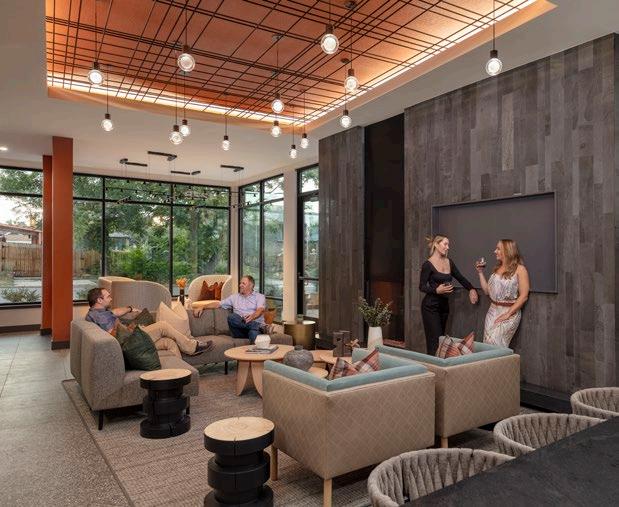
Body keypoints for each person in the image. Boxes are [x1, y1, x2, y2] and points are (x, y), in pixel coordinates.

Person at [85, 287, 211, 357]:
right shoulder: (101, 317)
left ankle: (180, 374)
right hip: (130, 343)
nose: (111, 298)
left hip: (132, 340)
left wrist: (129, 308)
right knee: (163, 326)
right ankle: (192, 347)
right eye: (108, 296)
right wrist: (134, 327)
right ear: (99, 300)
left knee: (169, 342)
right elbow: (115, 335)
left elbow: (115, 312)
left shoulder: (98, 312)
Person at [419, 235, 478, 355]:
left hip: (444, 306)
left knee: (442, 341)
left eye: (448, 244)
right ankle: (432, 365)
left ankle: (441, 365)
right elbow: (422, 286)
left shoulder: (449, 262)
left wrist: (471, 289)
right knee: (434, 341)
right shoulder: (427, 264)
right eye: (445, 244)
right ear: (436, 244)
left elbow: (460, 278)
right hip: (430, 306)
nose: (448, 247)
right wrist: (436, 290)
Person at [476, 239, 529, 348]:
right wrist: (480, 272)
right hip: (492, 312)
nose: (495, 251)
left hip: (509, 312)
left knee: (497, 345)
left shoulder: (520, 269)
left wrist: (508, 314)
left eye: (498, 249)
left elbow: (524, 296)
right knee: (487, 345)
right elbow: (487, 291)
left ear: (507, 250)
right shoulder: (497, 269)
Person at [200, 275, 267, 344]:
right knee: (232, 317)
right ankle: (259, 326)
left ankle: (255, 330)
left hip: (253, 330)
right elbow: (218, 304)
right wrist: (202, 306)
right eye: (240, 283)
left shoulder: (260, 297)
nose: (240, 285)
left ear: (251, 285)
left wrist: (252, 317)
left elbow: (260, 310)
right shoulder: (234, 297)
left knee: (253, 333)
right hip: (239, 331)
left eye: (243, 283)